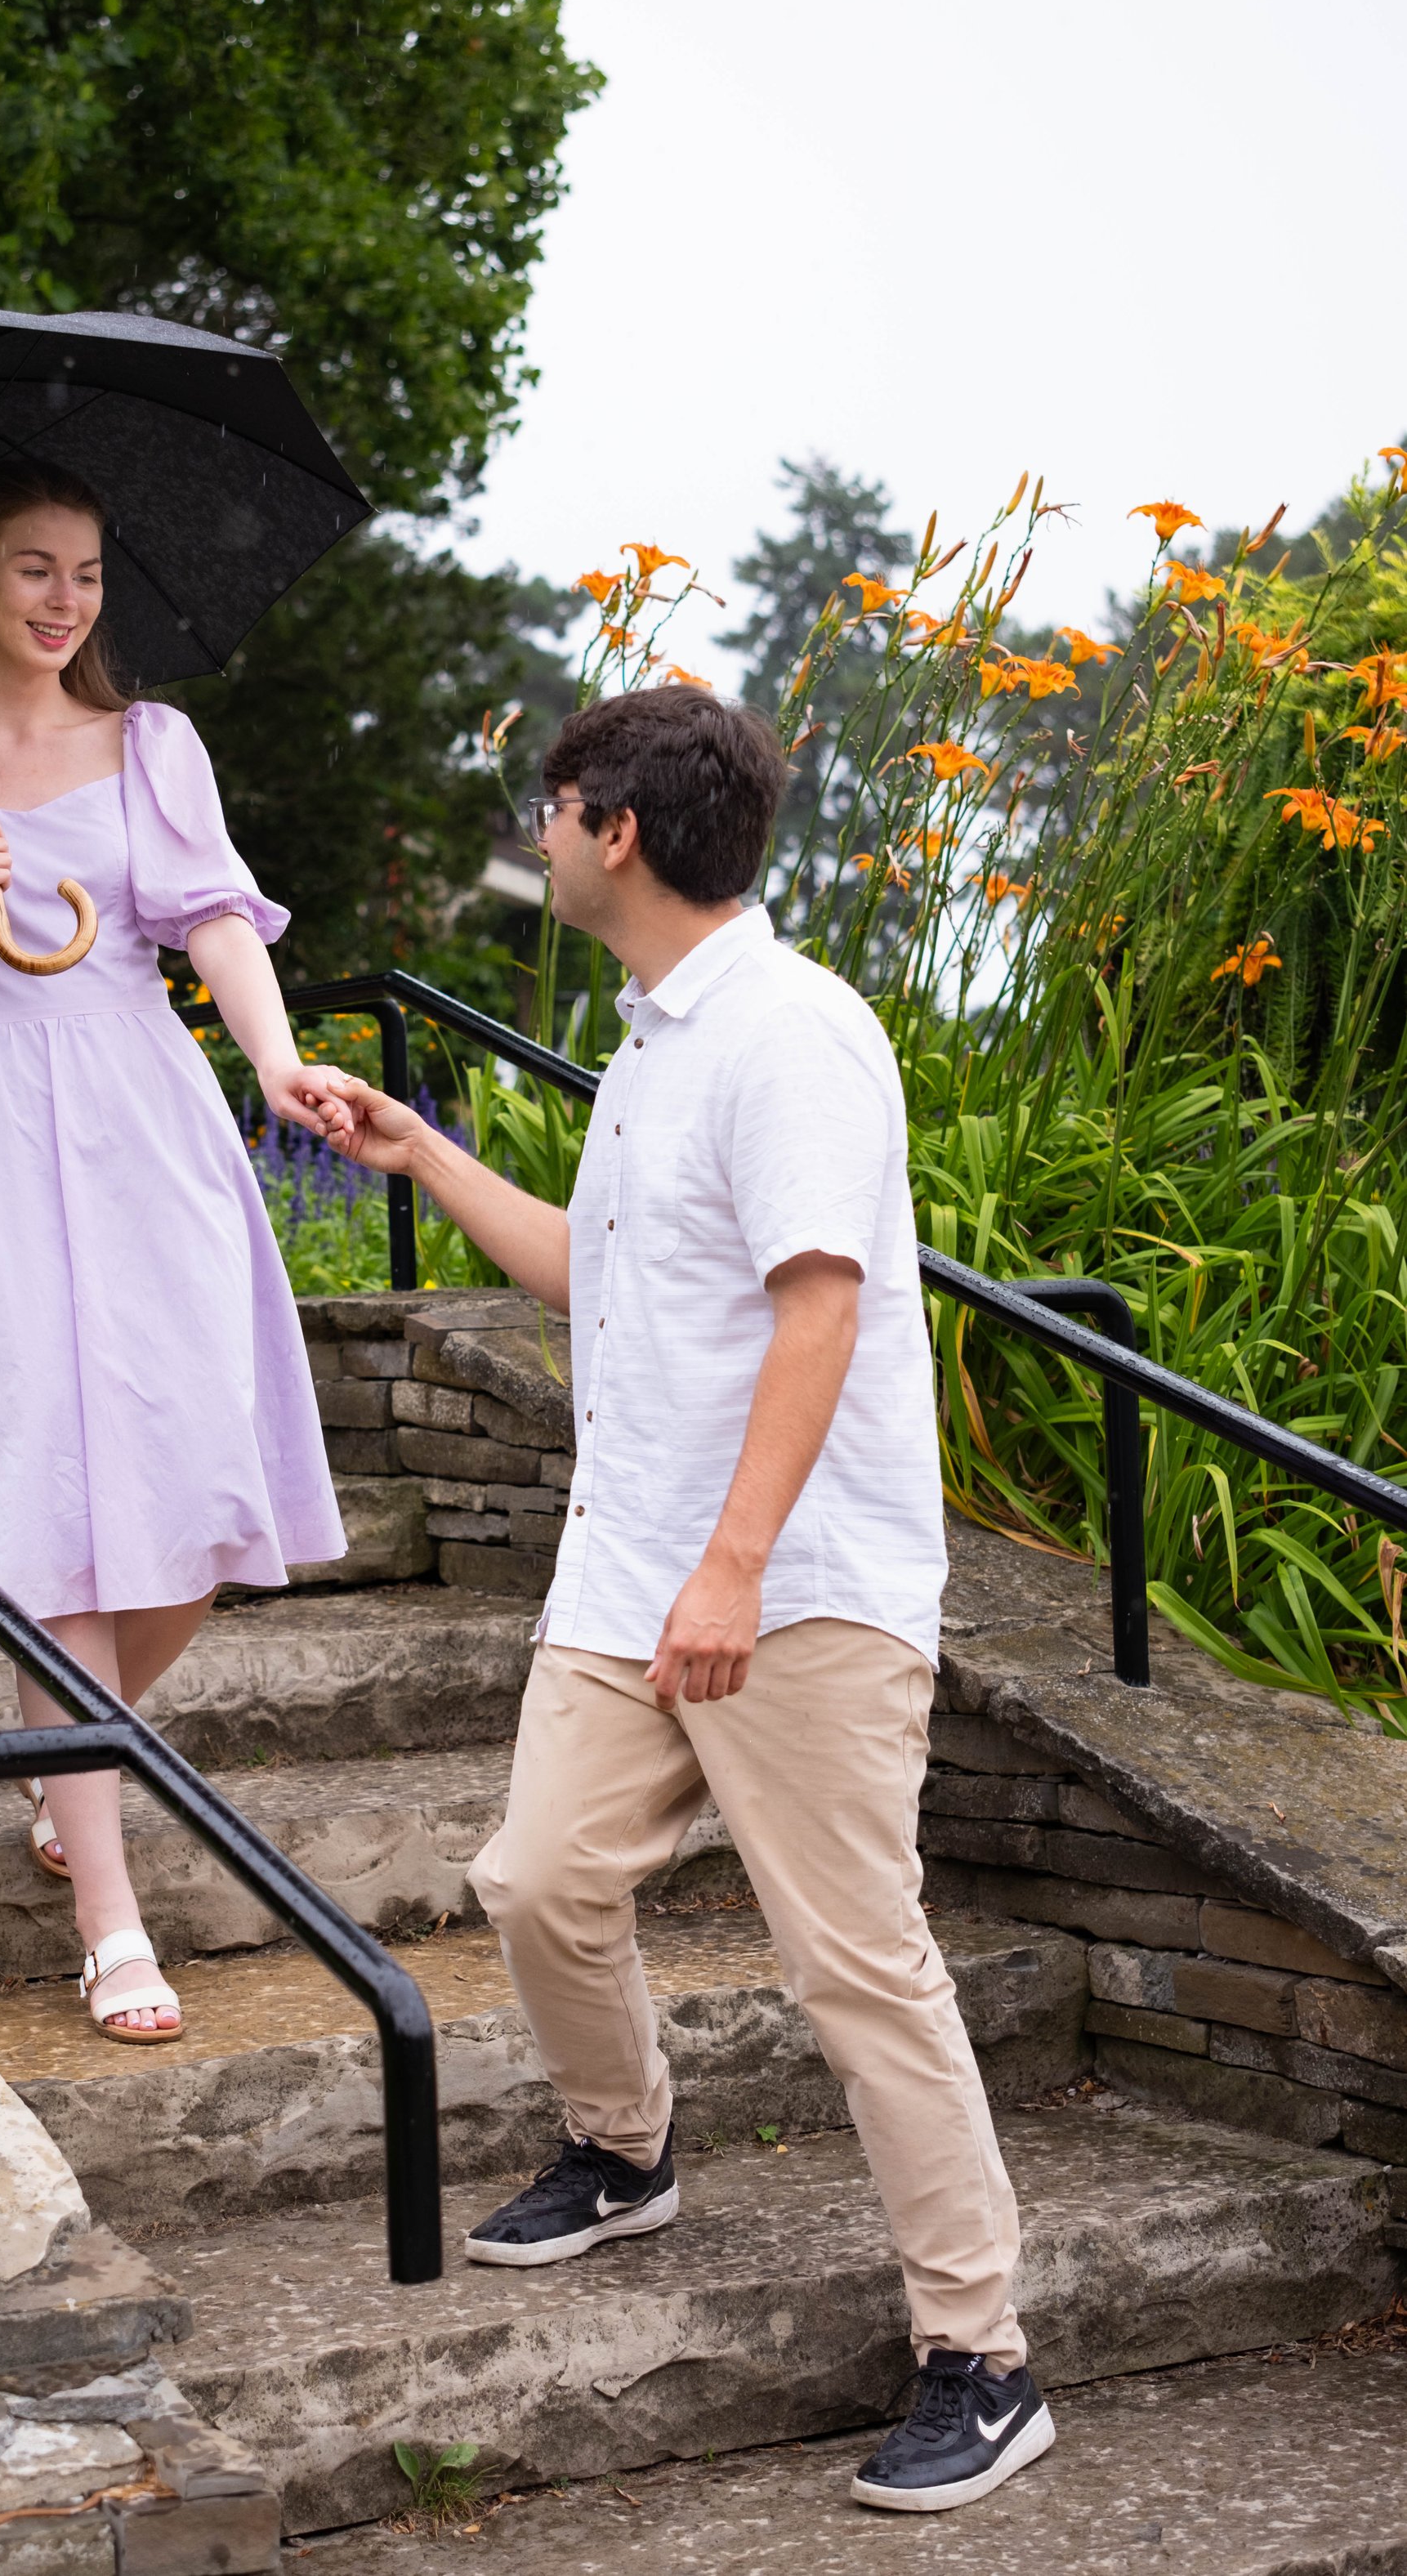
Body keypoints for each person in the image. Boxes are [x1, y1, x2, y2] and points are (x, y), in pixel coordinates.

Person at [317, 685, 1053, 2516]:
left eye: (551, 810)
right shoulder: (653, 1043)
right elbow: (601, 1273)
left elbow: (820, 1309)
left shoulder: (788, 1034)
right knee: (536, 1878)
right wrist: (420, 1157)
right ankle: (623, 2146)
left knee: (852, 1962)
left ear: (613, 829)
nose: (541, 836)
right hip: (631, 1564)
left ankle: (982, 2353)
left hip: (790, 1583)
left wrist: (731, 1567)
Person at [0, 456, 343, 2046]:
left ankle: (65, 1757)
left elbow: (217, 921)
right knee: (53, 1521)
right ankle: (111, 1916)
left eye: (87, 573)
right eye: (33, 569)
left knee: (198, 1493)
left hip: (146, 1118)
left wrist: (269, 1061)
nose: (64, 602)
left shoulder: (149, 744)